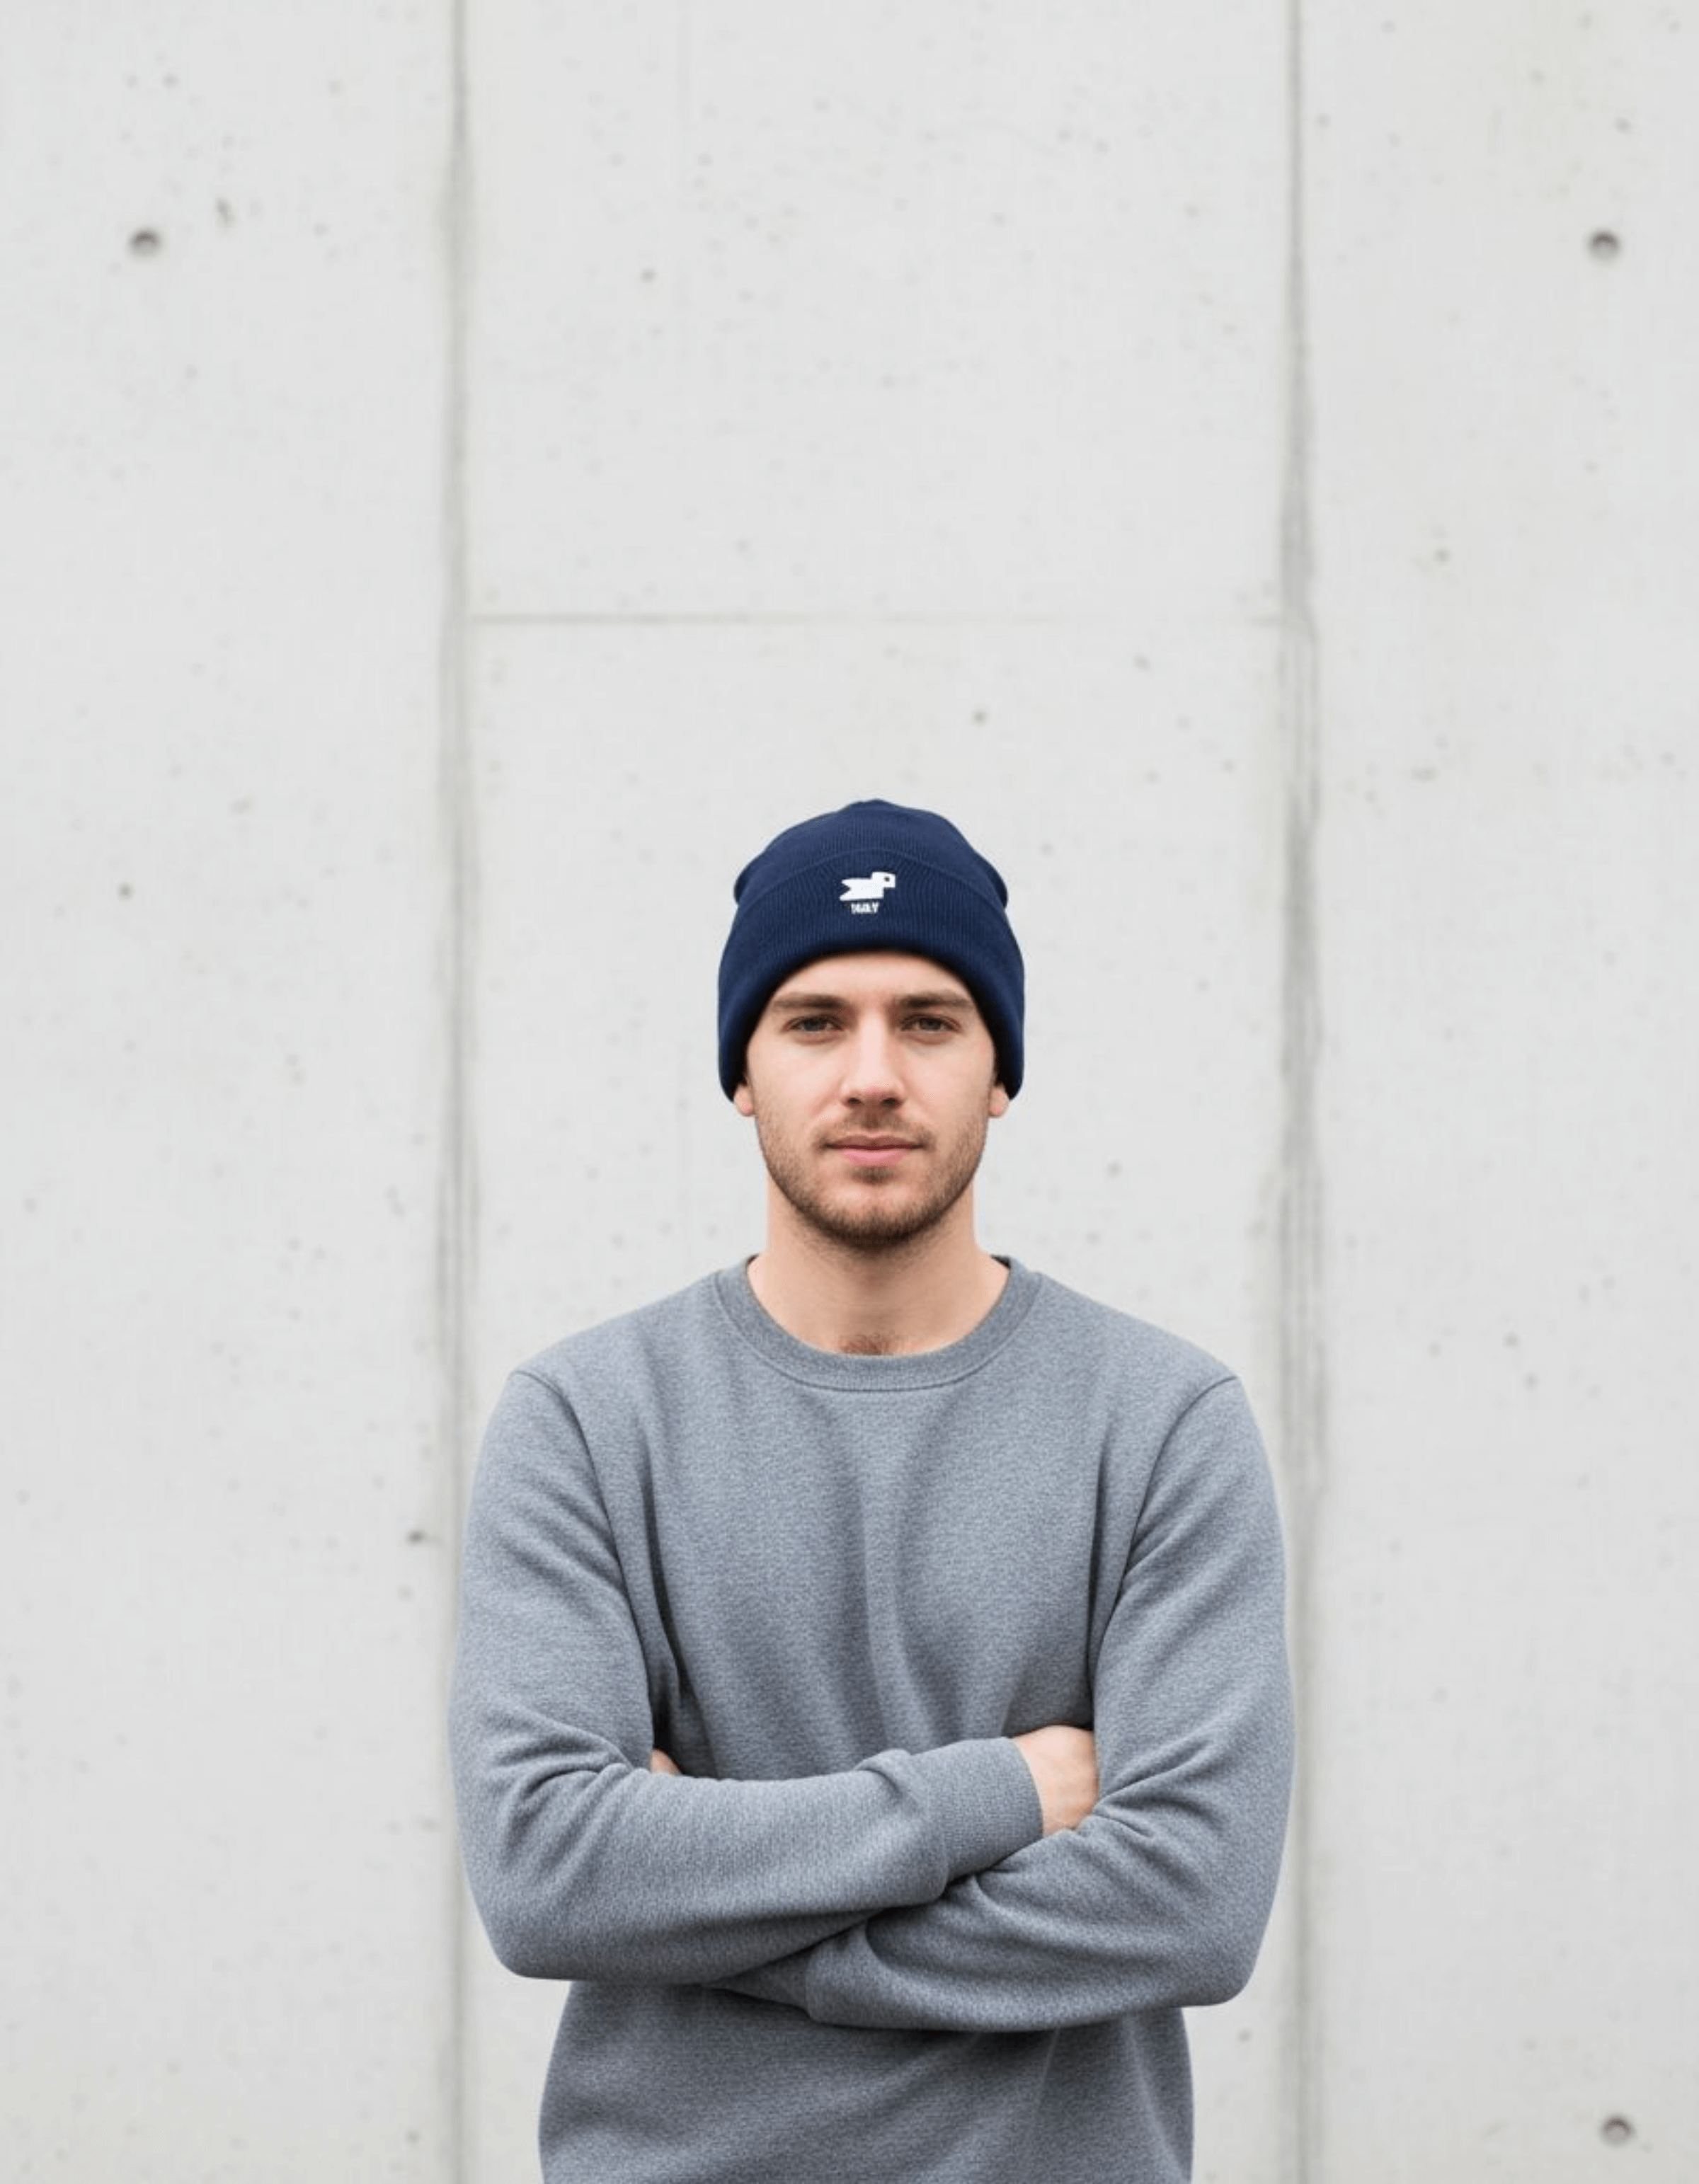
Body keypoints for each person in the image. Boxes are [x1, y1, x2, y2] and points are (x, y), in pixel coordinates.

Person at [450, 798, 1293, 2184]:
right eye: (815, 1021)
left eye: (931, 1019)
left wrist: (716, 1912)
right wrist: (1004, 1792)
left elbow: (1192, 1902)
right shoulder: (586, 1422)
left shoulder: (1160, 1422)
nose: (873, 1075)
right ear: (742, 1071)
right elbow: (549, 1871)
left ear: (1001, 1070)